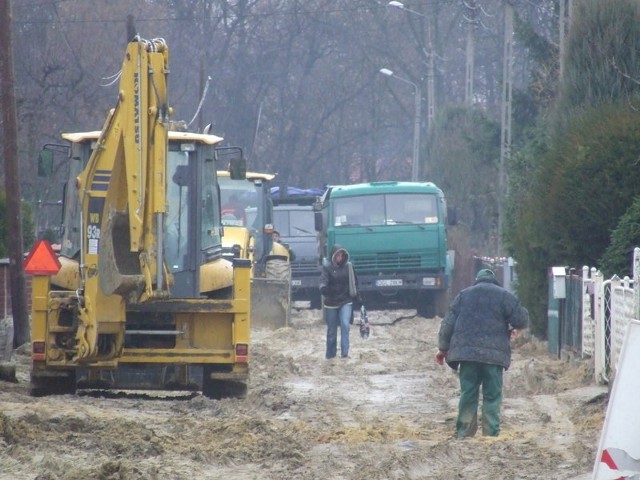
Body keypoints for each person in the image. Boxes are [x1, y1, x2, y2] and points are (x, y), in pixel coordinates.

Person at [435, 268, 529, 438]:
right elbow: (521, 320)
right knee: (492, 396)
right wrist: (510, 324)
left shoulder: (463, 296)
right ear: (494, 280)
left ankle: (464, 433)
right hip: (494, 357)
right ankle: (490, 435)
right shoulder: (504, 296)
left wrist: (442, 349)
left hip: (467, 356)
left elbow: (447, 324)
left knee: (468, 394)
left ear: (477, 280)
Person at [319, 245, 359, 359]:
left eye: (341, 255)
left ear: (344, 256)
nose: (339, 257)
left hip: (345, 301)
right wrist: (323, 288)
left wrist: (358, 298)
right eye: (337, 255)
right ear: (333, 256)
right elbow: (323, 280)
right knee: (331, 331)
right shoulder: (327, 268)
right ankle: (330, 356)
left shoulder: (349, 267)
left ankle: (345, 354)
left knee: (345, 325)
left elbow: (355, 283)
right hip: (331, 303)